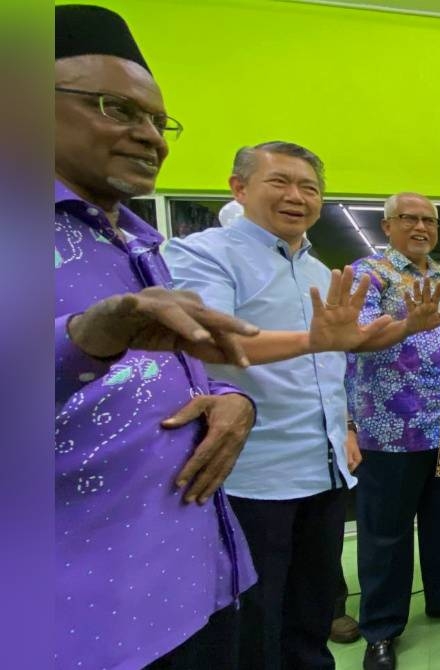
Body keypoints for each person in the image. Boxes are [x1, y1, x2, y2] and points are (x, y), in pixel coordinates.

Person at [54, 6, 262, 669]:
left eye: (157, 120)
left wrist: (233, 402)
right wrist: (85, 338)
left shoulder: (136, 240)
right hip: (85, 623)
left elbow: (170, 379)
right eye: (117, 108)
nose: (152, 138)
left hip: (204, 584)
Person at [163, 142, 421, 669]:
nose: (296, 196)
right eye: (280, 181)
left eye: (309, 187)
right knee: (254, 622)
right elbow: (206, 339)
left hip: (322, 470)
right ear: (239, 187)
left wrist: (405, 329)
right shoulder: (204, 253)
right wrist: (313, 340)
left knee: (311, 614)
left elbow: (336, 349)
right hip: (251, 475)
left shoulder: (319, 271)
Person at [347, 192, 440, 670]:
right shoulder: (367, 273)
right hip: (388, 429)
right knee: (385, 535)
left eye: (430, 219)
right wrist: (410, 323)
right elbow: (355, 340)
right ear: (388, 225)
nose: (422, 227)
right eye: (410, 218)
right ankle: (382, 630)